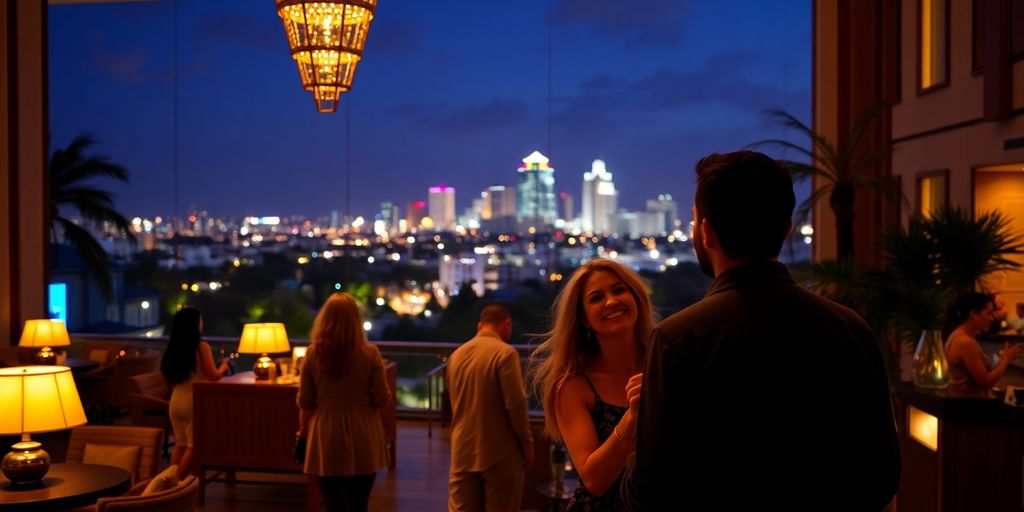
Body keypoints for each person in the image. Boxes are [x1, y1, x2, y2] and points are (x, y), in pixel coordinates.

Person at [620, 151, 900, 510]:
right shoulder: (851, 329)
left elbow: (648, 496)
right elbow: (882, 477)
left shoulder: (679, 340)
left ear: (705, 232)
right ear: (786, 230)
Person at [529, 259, 654, 511]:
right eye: (596, 298)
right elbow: (594, 480)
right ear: (584, 319)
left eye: (619, 290)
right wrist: (631, 418)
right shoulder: (573, 386)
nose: (611, 302)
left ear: (636, 297)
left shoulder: (664, 360)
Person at [297, 292, 390, 512]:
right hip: (363, 431)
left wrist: (302, 433)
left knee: (333, 504)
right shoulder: (370, 353)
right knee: (359, 504)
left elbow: (306, 401)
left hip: (325, 432)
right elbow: (381, 398)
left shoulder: (312, 354)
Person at [447, 304, 534, 512]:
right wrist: (527, 445)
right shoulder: (505, 354)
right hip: (500, 453)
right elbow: (516, 404)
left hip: (462, 450)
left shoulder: (455, 356)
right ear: (507, 325)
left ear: (479, 326)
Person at [160, 307, 231, 480]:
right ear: (194, 325)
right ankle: (176, 484)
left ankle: (167, 482)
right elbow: (213, 376)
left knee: (180, 445)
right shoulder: (201, 347)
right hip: (194, 401)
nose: (202, 323)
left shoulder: (173, 348)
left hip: (176, 401)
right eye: (200, 320)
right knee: (194, 446)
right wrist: (224, 366)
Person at [945, 291, 1023, 397]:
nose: (992, 318)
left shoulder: (961, 336)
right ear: (974, 314)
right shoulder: (965, 342)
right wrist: (1006, 360)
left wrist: (1001, 358)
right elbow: (985, 383)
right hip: (969, 409)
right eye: (988, 313)